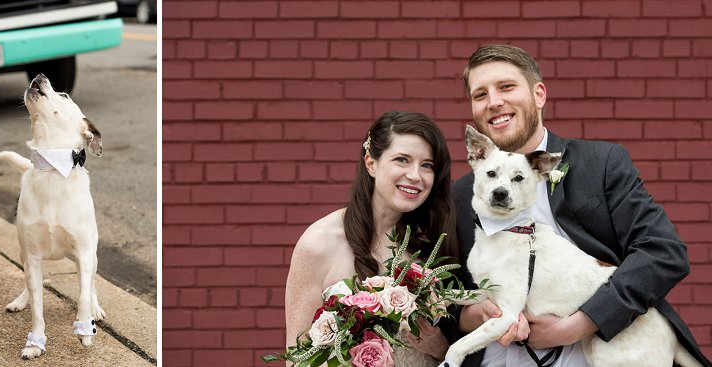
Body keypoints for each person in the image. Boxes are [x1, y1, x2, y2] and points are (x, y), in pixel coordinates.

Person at [450, 44, 711, 367]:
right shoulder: (463, 195)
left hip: (604, 351)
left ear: (539, 95)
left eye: (506, 87)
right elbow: (451, 299)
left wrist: (576, 326)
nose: (494, 102)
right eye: (480, 95)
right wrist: (475, 314)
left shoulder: (600, 164)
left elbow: (663, 254)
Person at [285, 110, 458, 366]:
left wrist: (441, 347)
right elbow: (298, 359)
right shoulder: (319, 243)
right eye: (401, 160)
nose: (415, 175)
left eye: (427, 165)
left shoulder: (430, 246)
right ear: (370, 162)